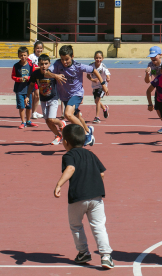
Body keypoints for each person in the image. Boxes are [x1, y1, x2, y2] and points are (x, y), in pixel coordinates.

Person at [54, 124, 114, 269]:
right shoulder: (91, 154)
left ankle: (83, 252)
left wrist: (59, 184)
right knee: (99, 226)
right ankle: (106, 256)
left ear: (66, 142)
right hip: (96, 196)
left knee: (76, 226)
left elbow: (71, 168)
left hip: (78, 197)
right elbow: (102, 173)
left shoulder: (69, 156)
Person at [49, 45, 108, 146]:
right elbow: (47, 72)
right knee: (76, 116)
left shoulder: (78, 66)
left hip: (76, 94)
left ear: (72, 56)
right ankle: (88, 130)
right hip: (65, 96)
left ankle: (86, 135)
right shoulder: (58, 64)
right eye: (62, 59)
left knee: (68, 114)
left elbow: (93, 70)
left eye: (67, 59)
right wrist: (55, 75)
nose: (64, 62)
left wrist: (103, 84)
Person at [25, 54, 66, 145]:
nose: (44, 66)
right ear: (38, 64)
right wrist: (27, 96)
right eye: (41, 64)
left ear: (49, 64)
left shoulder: (52, 73)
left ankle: (61, 123)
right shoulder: (35, 74)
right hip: (43, 99)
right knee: (47, 121)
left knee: (51, 119)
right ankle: (58, 135)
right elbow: (31, 85)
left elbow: (60, 81)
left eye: (46, 64)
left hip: (53, 98)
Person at [11, 46, 38, 129]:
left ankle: (28, 121)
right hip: (19, 90)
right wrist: (19, 79)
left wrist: (29, 78)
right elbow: (13, 76)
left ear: (28, 55)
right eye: (21, 55)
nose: (23, 57)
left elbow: (34, 76)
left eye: (25, 55)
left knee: (28, 106)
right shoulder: (16, 66)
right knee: (21, 106)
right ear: (19, 56)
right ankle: (23, 122)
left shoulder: (31, 65)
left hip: (28, 89)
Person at [87, 50, 110, 124]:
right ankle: (104, 108)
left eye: (100, 58)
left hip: (102, 86)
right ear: (94, 58)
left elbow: (107, 74)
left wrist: (108, 78)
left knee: (97, 100)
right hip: (95, 86)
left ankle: (97, 117)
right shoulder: (91, 66)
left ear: (102, 58)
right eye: (97, 58)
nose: (98, 59)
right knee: (97, 101)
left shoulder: (103, 66)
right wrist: (92, 79)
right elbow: (88, 75)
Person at [28, 40, 44, 119]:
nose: (39, 50)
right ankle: (32, 112)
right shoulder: (31, 56)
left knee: (37, 96)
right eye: (37, 48)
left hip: (40, 79)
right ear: (34, 48)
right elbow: (30, 67)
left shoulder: (42, 57)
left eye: (41, 48)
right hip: (32, 78)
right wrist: (39, 67)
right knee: (34, 96)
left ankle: (34, 112)